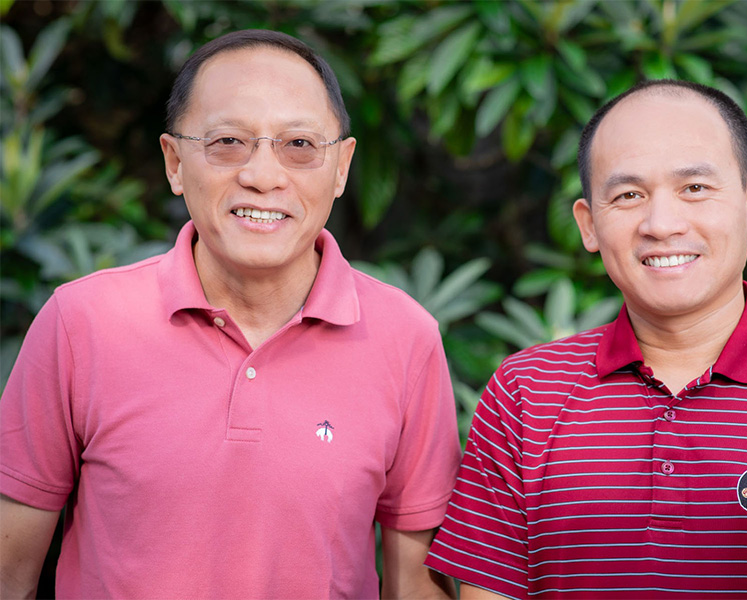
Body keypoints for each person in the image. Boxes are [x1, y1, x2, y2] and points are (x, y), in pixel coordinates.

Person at [0, 29, 461, 599]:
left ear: (341, 168)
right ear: (174, 162)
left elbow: (415, 587)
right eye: (227, 142)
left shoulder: (406, 338)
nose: (263, 176)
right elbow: (8, 571)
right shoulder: (82, 322)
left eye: (299, 145)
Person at [425, 80, 747, 598]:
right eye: (629, 195)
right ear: (588, 225)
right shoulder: (527, 392)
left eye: (694, 187)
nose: (662, 223)